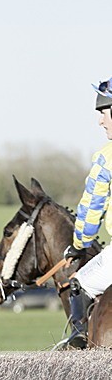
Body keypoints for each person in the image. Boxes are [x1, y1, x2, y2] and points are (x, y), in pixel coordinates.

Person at [64, 78, 112, 347]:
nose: (101, 121)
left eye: (104, 113)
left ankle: (80, 343)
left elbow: (91, 211)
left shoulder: (107, 157)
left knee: (78, 285)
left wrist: (79, 244)